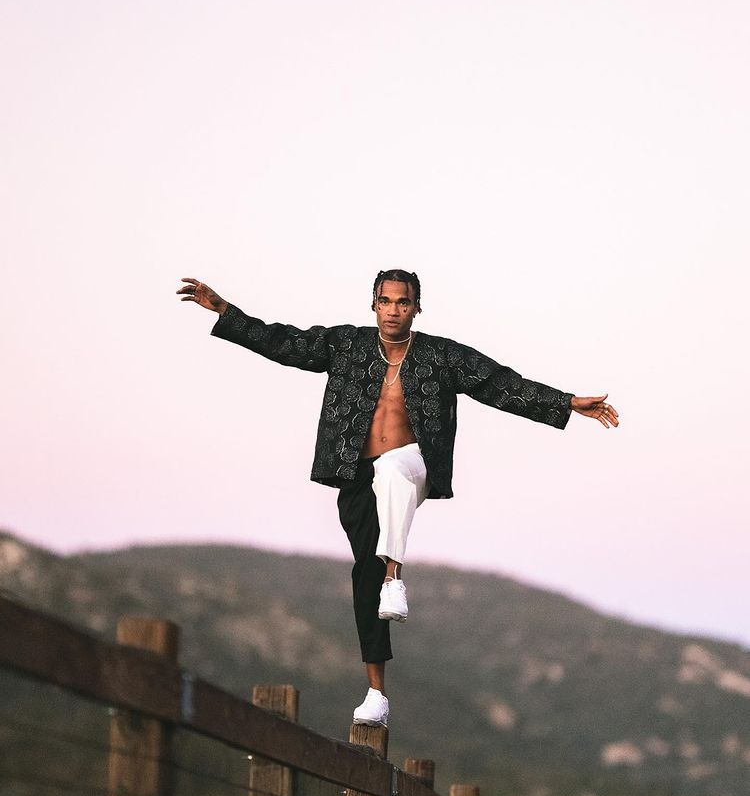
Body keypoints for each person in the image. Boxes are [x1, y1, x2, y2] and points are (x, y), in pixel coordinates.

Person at [176, 269, 619, 727]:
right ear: (373, 305)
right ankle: (376, 692)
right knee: (364, 574)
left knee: (391, 471)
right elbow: (285, 342)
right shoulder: (346, 345)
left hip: (415, 462)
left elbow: (500, 383)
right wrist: (225, 311)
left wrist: (566, 402)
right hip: (355, 473)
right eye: (385, 301)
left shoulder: (441, 356)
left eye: (402, 302)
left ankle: (395, 576)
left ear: (416, 308)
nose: (393, 310)